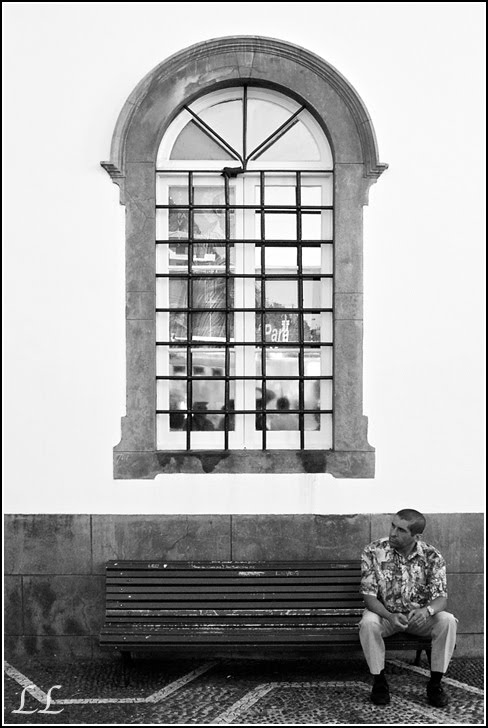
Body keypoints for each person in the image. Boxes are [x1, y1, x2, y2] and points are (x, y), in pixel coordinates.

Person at [359, 508, 457, 708]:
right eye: (392, 526)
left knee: (447, 620)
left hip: (417, 619)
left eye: (401, 530)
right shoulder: (374, 551)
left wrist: (426, 611)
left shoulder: (432, 556)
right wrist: (389, 615)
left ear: (416, 536)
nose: (393, 532)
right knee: (368, 622)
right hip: (386, 616)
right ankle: (379, 682)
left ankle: (435, 683)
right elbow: (369, 597)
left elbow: (441, 599)